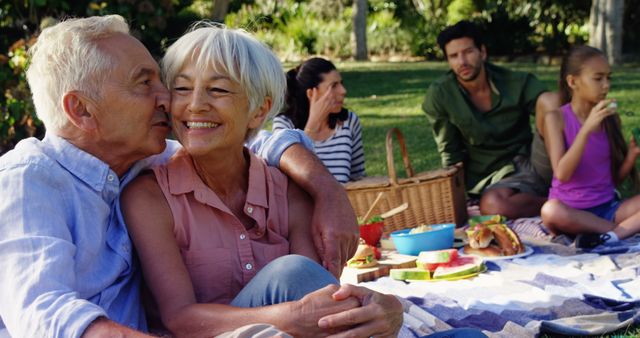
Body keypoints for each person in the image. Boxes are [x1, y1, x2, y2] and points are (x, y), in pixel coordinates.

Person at [0, 15, 359, 337]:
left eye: (163, 82)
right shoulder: (27, 181)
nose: (168, 99)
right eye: (144, 83)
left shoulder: (148, 158)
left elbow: (249, 138)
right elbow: (43, 314)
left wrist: (329, 193)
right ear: (82, 110)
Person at [121, 23, 404, 338]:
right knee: (290, 273)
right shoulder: (149, 197)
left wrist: (385, 309)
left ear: (258, 111)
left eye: (218, 89)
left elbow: (322, 303)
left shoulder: (288, 190)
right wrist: (290, 317)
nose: (196, 104)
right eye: (183, 88)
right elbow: (180, 319)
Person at [422, 20, 559, 219]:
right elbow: (450, 152)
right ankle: (566, 204)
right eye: (453, 56)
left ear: (482, 52)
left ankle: (573, 184)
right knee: (493, 205)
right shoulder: (441, 95)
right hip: (492, 177)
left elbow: (558, 112)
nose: (462, 61)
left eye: (468, 52)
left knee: (550, 101)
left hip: (534, 161)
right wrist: (456, 197)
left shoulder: (514, 81)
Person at [540, 45, 640, 249]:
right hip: (570, 212)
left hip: (607, 208)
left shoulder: (610, 119)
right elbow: (562, 173)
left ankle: (609, 234)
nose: (606, 85)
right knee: (550, 211)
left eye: (608, 78)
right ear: (572, 81)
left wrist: (631, 156)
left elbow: (611, 181)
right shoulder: (556, 118)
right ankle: (619, 231)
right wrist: (585, 130)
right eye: (598, 78)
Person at [273, 57, 366, 183]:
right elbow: (287, 179)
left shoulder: (348, 121)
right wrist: (314, 123)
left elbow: (358, 177)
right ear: (311, 94)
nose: (343, 91)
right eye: (333, 86)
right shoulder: (284, 125)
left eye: (341, 83)